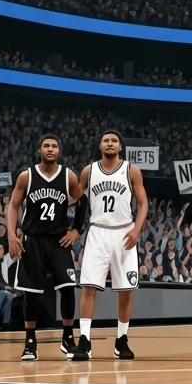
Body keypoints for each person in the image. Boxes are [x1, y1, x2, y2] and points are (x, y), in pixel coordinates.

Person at [70, 131, 148, 362]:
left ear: (120, 147)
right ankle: (84, 341)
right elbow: (74, 197)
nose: (110, 143)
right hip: (97, 232)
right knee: (88, 288)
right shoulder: (89, 170)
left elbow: (143, 204)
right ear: (100, 145)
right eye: (106, 140)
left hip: (124, 233)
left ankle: (121, 341)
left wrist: (136, 230)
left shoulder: (131, 170)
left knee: (125, 291)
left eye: (114, 141)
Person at [6, 134, 83, 361]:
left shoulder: (68, 175)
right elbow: (13, 206)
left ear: (59, 151)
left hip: (59, 240)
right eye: (46, 146)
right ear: (39, 149)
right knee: (31, 294)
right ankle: (30, 342)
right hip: (33, 239)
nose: (50, 149)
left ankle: (68, 338)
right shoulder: (26, 176)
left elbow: (82, 201)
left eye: (55, 146)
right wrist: (12, 235)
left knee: (68, 288)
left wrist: (77, 229)